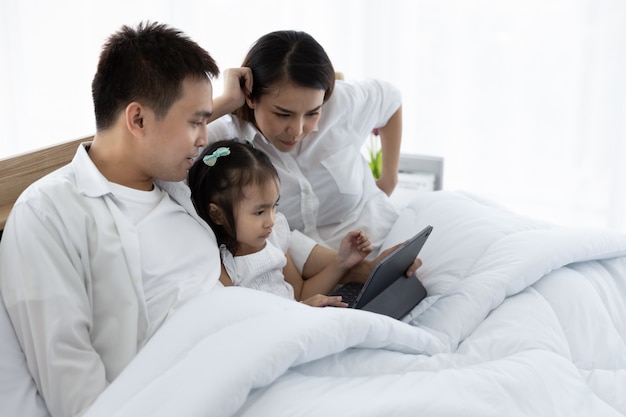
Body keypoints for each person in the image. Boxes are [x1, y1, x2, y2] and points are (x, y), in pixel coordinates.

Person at [0, 22, 222, 417]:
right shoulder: (48, 214)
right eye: (196, 122)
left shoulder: (180, 187)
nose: (205, 137)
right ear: (137, 120)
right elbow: (73, 384)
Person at [206, 30, 404, 258]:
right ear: (250, 96)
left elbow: (391, 99)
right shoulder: (228, 136)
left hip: (386, 241)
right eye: (283, 114)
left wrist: (389, 179)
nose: (297, 131)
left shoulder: (340, 103)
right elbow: (162, 146)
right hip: (320, 277)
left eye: (312, 113)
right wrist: (226, 101)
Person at [188, 140, 373, 307]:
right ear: (218, 214)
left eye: (274, 206)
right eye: (259, 212)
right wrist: (302, 310)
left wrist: (341, 262)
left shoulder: (275, 237)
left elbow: (300, 293)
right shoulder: (222, 265)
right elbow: (247, 323)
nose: (271, 221)